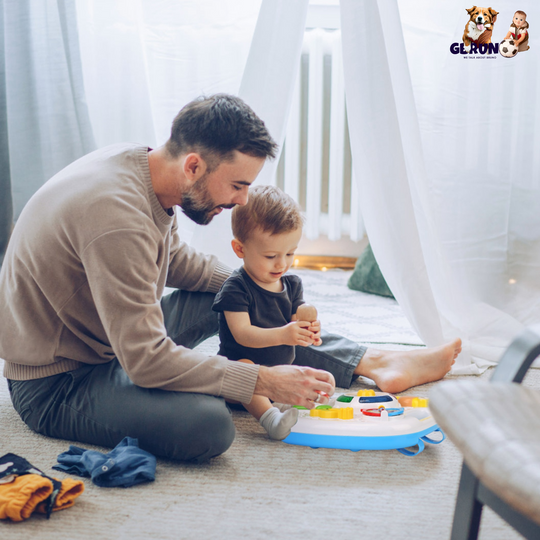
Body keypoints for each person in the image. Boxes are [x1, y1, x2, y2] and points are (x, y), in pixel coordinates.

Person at [0, 94, 461, 463]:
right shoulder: (116, 218)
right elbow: (145, 361)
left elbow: (178, 263)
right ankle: (328, 366)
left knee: (233, 294)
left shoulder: (145, 170)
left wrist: (264, 284)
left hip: (104, 338)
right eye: (238, 185)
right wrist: (261, 381)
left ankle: (369, 360)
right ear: (195, 165)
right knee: (208, 426)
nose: (243, 202)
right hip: (60, 381)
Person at [213, 186, 321, 440]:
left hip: (279, 373)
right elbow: (243, 334)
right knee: (245, 366)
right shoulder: (236, 287)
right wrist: (284, 335)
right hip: (238, 378)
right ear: (240, 249)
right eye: (271, 255)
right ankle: (270, 419)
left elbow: (295, 324)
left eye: (290, 253)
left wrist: (307, 330)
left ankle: (286, 403)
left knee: (312, 375)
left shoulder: (292, 284)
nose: (282, 263)